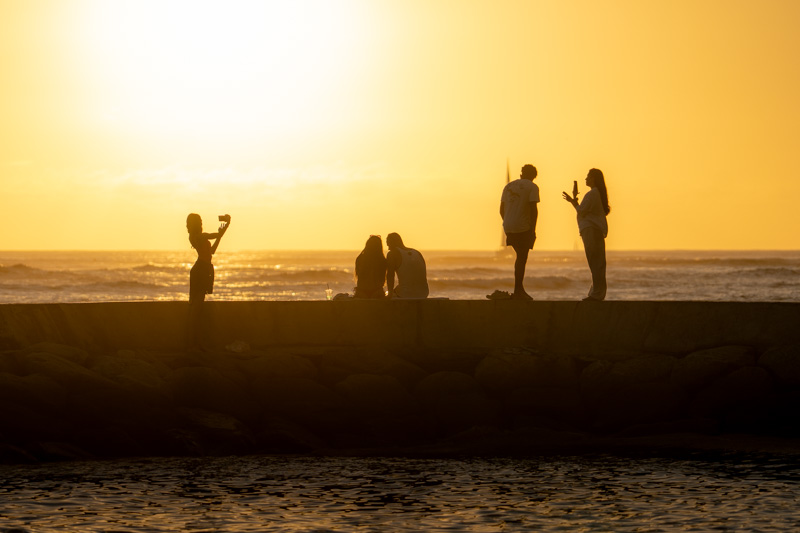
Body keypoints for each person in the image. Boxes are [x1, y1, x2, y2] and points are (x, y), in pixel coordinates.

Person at [562, 168, 610, 301]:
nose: (586, 179)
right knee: (597, 263)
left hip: (591, 230)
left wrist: (573, 201)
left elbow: (581, 211)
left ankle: (596, 294)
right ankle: (597, 293)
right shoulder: (596, 194)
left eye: (588, 177)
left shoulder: (592, 194)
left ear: (594, 178)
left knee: (595, 262)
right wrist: (574, 200)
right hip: (593, 230)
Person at [500, 164, 540, 300]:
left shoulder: (508, 186)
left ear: (522, 173)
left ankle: (519, 289)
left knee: (519, 256)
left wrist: (508, 222)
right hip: (523, 227)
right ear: (534, 176)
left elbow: (501, 209)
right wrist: (532, 230)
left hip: (508, 225)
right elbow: (533, 210)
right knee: (522, 258)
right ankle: (518, 290)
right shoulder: (532, 187)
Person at [186, 213, 230, 304]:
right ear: (196, 223)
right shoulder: (197, 237)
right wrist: (226, 225)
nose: (202, 223)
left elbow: (212, 251)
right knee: (197, 299)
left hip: (205, 268)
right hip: (200, 269)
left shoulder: (200, 237)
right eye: (200, 221)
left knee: (199, 298)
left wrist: (221, 234)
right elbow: (214, 235)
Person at [386, 232, 429, 299]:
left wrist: (390, 294)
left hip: (406, 294)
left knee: (389, 293)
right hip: (424, 293)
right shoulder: (417, 252)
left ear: (392, 243)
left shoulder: (392, 254)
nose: (388, 248)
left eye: (388, 245)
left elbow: (390, 275)